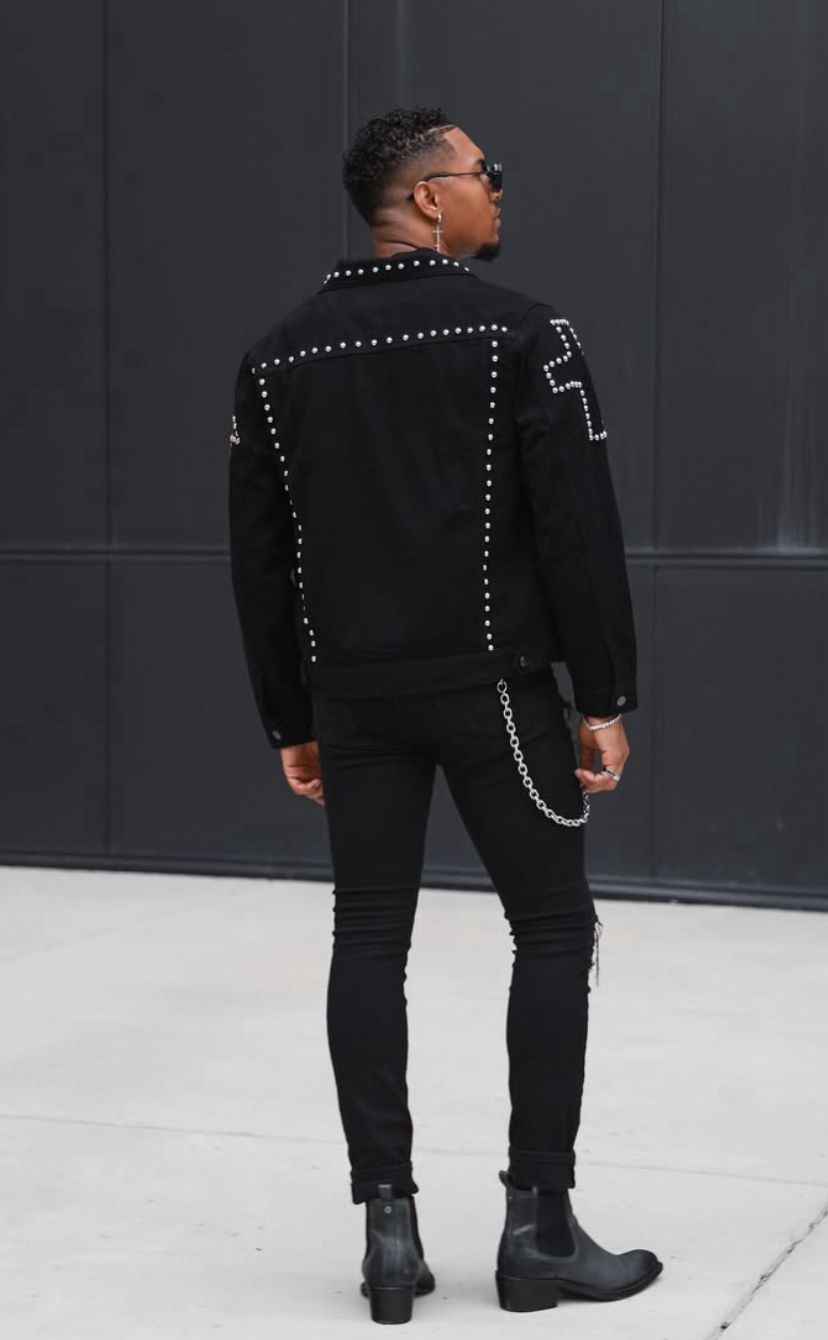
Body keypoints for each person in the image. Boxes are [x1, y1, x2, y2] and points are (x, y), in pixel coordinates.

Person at [228, 105, 662, 1323]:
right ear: (429, 196)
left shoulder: (276, 358)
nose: (497, 191)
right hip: (495, 694)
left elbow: (260, 560)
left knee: (368, 935)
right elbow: (576, 528)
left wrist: (289, 716)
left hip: (355, 701)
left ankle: (388, 1231)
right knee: (554, 927)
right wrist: (604, 695)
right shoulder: (525, 335)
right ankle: (539, 1230)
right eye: (485, 173)